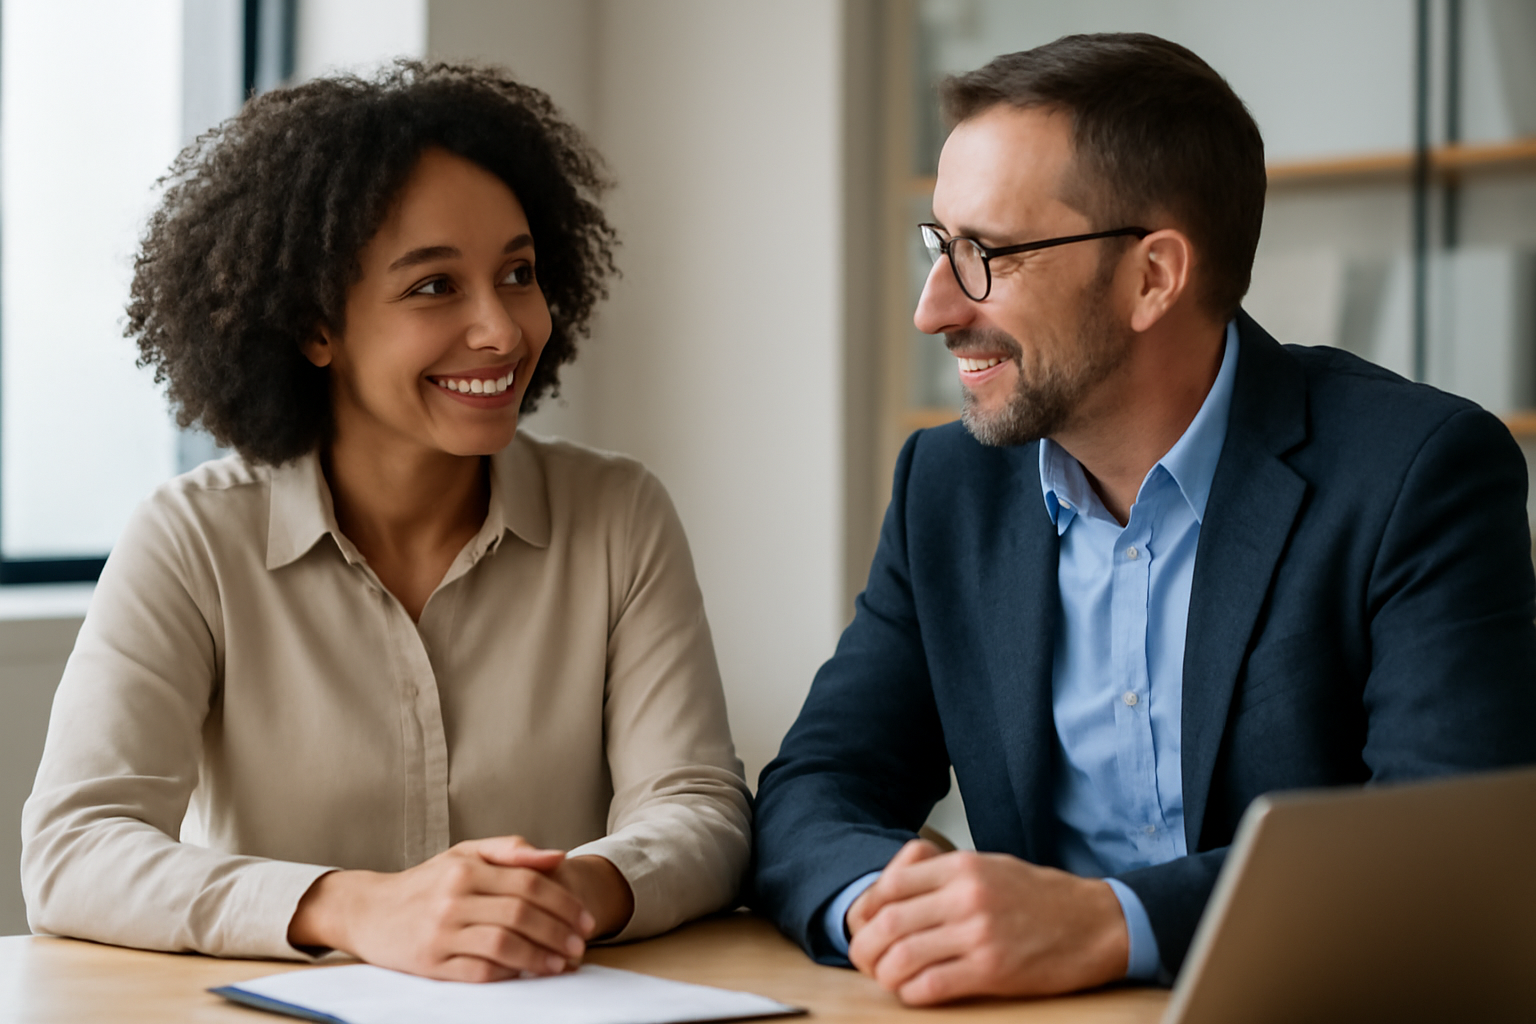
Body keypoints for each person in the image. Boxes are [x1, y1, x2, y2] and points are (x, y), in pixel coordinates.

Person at [752, 33, 1536, 1006]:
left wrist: (1110, 922)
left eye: (985, 254)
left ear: (1154, 277)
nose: (935, 308)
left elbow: (1445, 858)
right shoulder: (947, 487)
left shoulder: (1415, 474)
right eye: (939, 245)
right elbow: (814, 789)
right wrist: (897, 906)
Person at [21, 62, 750, 982]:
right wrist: (358, 908)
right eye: (434, 287)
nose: (502, 330)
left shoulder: (618, 515)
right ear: (316, 327)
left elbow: (701, 809)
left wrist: (552, 900)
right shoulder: (192, 539)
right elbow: (75, 848)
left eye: (517, 274)